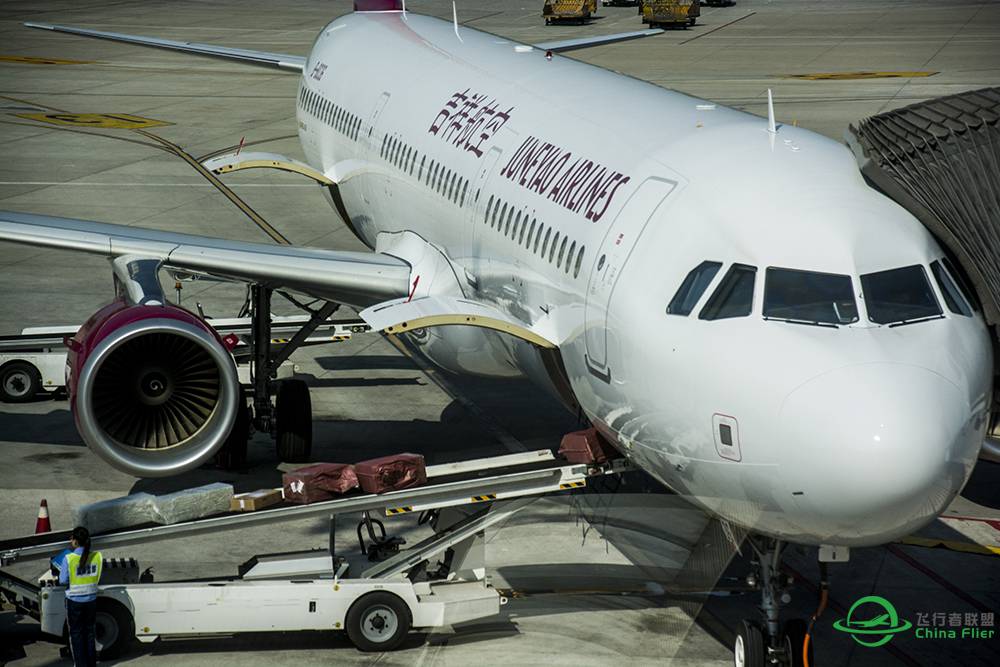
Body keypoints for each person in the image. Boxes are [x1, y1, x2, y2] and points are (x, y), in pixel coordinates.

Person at [58, 526, 103, 667]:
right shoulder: (97, 556)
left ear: (76, 541)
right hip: (91, 600)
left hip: (74, 601)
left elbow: (63, 581)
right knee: (90, 633)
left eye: (71, 538)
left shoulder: (69, 558)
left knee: (76, 635)